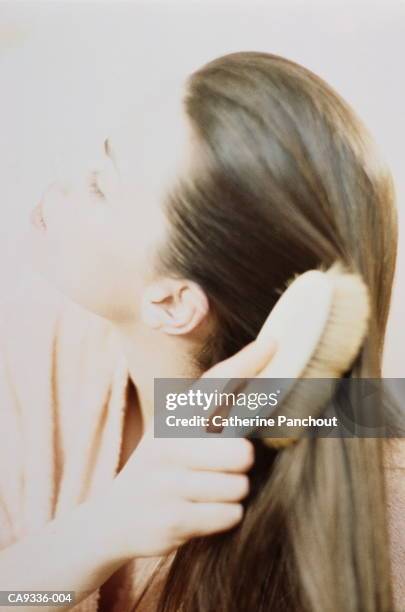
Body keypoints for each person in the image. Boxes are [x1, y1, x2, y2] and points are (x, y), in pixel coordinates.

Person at [0, 51, 403, 612]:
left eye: (101, 186)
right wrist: (96, 535)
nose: (68, 176)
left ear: (172, 303)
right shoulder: (38, 357)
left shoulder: (385, 507)